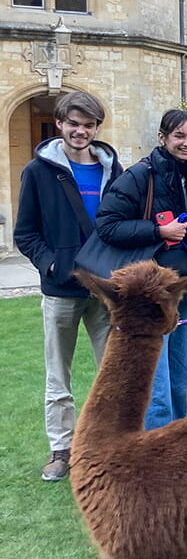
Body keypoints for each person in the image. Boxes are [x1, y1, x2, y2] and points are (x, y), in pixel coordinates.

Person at [14, 91, 122, 481]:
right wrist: (54, 264)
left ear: (97, 127)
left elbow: (119, 226)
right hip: (61, 291)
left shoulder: (114, 170)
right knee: (58, 377)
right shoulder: (39, 171)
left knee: (111, 375)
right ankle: (62, 449)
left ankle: (109, 446)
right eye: (73, 123)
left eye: (88, 124)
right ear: (59, 124)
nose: (80, 131)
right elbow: (25, 234)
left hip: (104, 290)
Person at [95, 109, 187, 429]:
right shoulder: (139, 176)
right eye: (179, 136)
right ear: (163, 138)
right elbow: (107, 225)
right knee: (157, 381)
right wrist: (158, 231)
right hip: (148, 295)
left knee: (182, 379)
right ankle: (154, 446)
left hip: (181, 289)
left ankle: (177, 439)